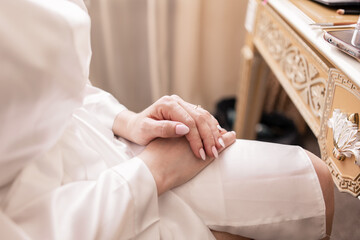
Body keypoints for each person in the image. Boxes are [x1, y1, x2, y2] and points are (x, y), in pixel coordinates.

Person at [0, 0, 334, 239]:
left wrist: (126, 120)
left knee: (314, 180)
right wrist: (153, 171)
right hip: (70, 210)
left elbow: (62, 85)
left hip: (89, 138)